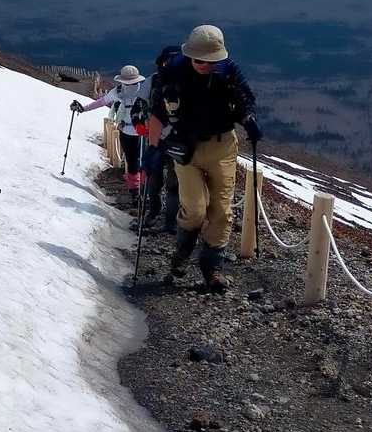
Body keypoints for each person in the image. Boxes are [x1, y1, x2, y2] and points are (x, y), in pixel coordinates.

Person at [147, 25, 260, 292]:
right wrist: (153, 148)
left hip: (222, 146)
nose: (205, 65)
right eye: (199, 60)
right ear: (189, 55)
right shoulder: (173, 71)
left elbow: (245, 99)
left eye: (210, 61)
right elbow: (157, 112)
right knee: (195, 210)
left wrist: (249, 119)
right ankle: (182, 254)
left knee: (221, 211)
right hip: (186, 148)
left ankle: (212, 268)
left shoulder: (228, 71)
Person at [69, 64, 151, 202]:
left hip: (126, 131)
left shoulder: (118, 91)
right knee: (141, 161)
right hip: (143, 131)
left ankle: (135, 191)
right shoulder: (144, 89)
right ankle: (143, 190)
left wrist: (83, 109)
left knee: (132, 161)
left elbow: (102, 102)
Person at [140, 45, 182, 233]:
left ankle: (162, 217)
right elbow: (141, 105)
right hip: (169, 139)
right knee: (160, 180)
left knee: (168, 181)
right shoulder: (154, 81)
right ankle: (163, 217)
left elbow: (141, 105)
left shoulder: (153, 81)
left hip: (161, 138)